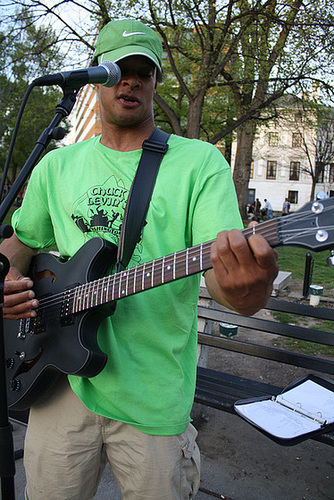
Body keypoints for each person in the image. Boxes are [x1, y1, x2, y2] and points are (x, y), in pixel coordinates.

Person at [0, 19, 278, 500]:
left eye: (142, 72)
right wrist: (6, 277)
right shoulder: (57, 164)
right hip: (58, 381)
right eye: (118, 70)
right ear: (97, 79)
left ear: (154, 82)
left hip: (153, 395)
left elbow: (227, 285)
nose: (130, 81)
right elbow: (21, 241)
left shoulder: (199, 163)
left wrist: (247, 286)